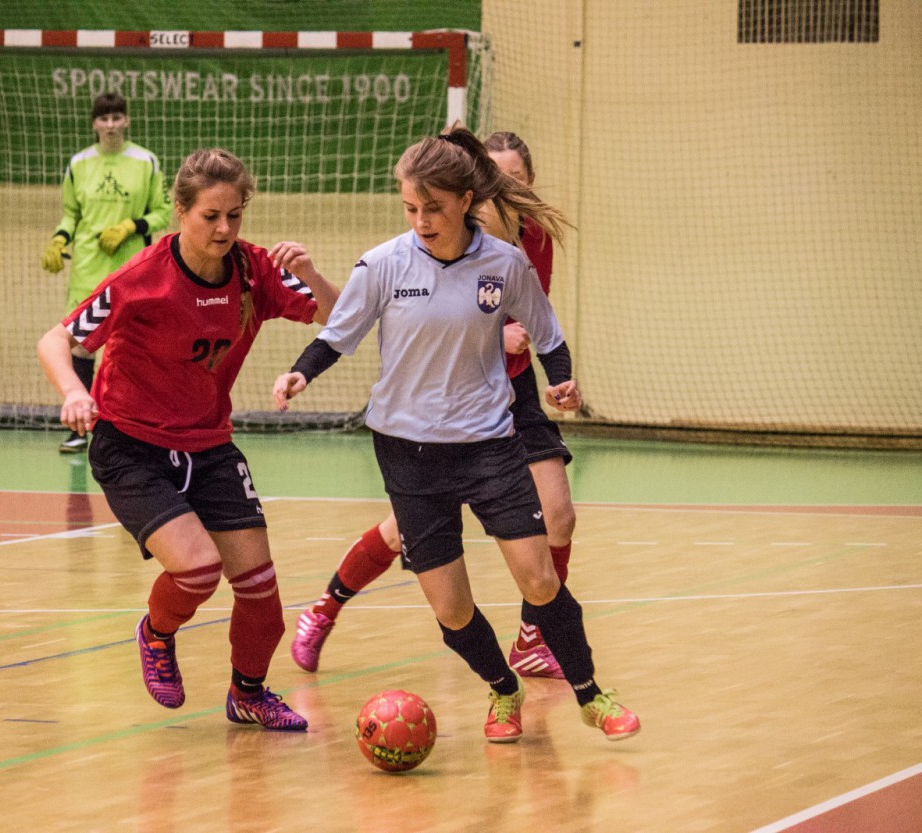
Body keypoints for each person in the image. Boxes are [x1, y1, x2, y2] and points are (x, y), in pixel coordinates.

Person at [272, 127, 639, 743]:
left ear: (467, 200)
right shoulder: (383, 263)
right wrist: (299, 373)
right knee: (452, 608)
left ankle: (591, 696)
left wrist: (562, 382)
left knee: (540, 578)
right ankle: (503, 688)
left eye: (433, 208)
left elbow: (548, 336)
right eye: (410, 207)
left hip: (489, 444)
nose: (421, 221)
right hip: (406, 453)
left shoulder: (506, 263)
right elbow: (338, 334)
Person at [38, 148, 340, 732]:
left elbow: (342, 316)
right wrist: (73, 392)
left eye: (235, 215)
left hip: (209, 444)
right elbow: (55, 340)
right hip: (132, 446)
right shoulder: (142, 278)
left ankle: (248, 694)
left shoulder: (254, 269)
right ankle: (156, 634)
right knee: (199, 570)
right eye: (210, 216)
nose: (224, 229)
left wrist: (309, 274)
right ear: (180, 211)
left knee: (262, 593)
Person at [41, 92, 172, 453]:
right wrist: (59, 239)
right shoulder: (79, 163)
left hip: (133, 271)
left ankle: (139, 429)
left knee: (135, 347)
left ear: (127, 121)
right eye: (104, 118)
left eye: (117, 118)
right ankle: (79, 428)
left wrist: (130, 226)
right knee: (82, 347)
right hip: (88, 269)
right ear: (94, 124)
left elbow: (162, 212)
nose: (111, 125)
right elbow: (71, 214)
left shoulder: (145, 161)